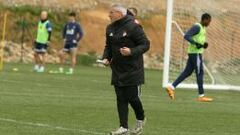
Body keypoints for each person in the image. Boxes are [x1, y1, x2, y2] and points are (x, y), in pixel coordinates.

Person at [102, 4, 150, 135]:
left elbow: (145, 44)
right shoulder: (110, 28)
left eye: (111, 12)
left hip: (133, 69)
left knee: (132, 97)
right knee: (120, 98)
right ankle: (123, 127)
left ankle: (140, 118)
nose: (109, 15)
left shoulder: (133, 26)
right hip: (117, 69)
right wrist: (106, 58)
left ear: (119, 13)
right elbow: (108, 46)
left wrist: (131, 51)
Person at [166, 13, 213, 102]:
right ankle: (201, 96)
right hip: (195, 54)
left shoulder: (202, 28)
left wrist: (203, 45)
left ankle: (171, 87)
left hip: (194, 53)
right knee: (200, 73)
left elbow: (197, 41)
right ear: (204, 19)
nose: (209, 23)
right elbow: (186, 36)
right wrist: (196, 44)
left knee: (187, 72)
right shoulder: (197, 27)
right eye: (209, 21)